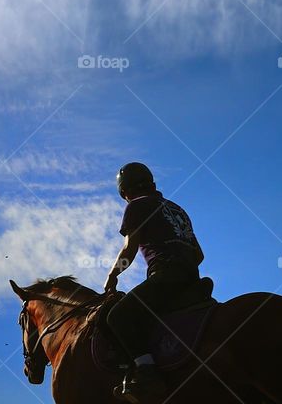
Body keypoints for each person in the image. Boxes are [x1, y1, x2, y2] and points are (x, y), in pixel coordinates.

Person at [103, 162, 205, 403]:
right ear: (151, 183)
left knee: (118, 316)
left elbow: (130, 247)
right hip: (191, 279)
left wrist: (113, 275)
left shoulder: (137, 206)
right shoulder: (177, 209)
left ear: (124, 192)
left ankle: (147, 374)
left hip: (166, 275)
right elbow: (199, 254)